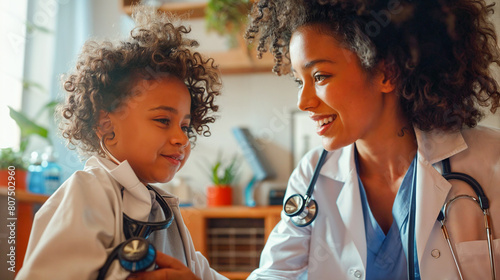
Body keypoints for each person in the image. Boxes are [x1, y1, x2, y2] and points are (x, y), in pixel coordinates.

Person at [245, 0, 500, 279]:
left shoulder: (490, 161)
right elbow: (274, 273)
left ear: (386, 73)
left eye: (320, 76)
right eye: (298, 81)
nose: (303, 102)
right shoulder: (312, 175)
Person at [17, 7, 227, 280]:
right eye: (163, 120)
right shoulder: (90, 190)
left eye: (185, 126)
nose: (183, 138)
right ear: (107, 127)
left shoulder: (164, 211)